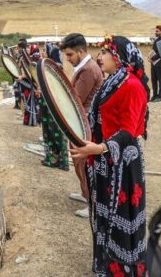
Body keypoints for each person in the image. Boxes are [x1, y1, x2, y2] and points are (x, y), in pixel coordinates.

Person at [70, 36, 149, 276]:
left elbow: (128, 129)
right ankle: (106, 266)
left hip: (123, 164)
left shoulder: (132, 85)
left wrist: (98, 148)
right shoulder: (112, 82)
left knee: (121, 218)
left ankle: (123, 271)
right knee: (104, 215)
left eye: (105, 52)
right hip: (105, 161)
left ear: (119, 56)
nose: (99, 57)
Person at [60, 33, 104, 218]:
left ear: (80, 51)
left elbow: (76, 99)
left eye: (70, 55)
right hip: (81, 121)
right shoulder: (86, 66)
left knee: (84, 163)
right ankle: (86, 194)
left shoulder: (87, 70)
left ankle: (92, 202)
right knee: (80, 163)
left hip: (84, 124)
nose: (68, 59)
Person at [149, 25, 161, 102]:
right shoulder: (157, 40)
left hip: (160, 64)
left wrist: (152, 58)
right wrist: (150, 57)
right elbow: (155, 51)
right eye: (155, 31)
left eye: (157, 31)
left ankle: (160, 96)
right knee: (154, 80)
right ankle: (154, 95)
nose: (155, 32)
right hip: (153, 64)